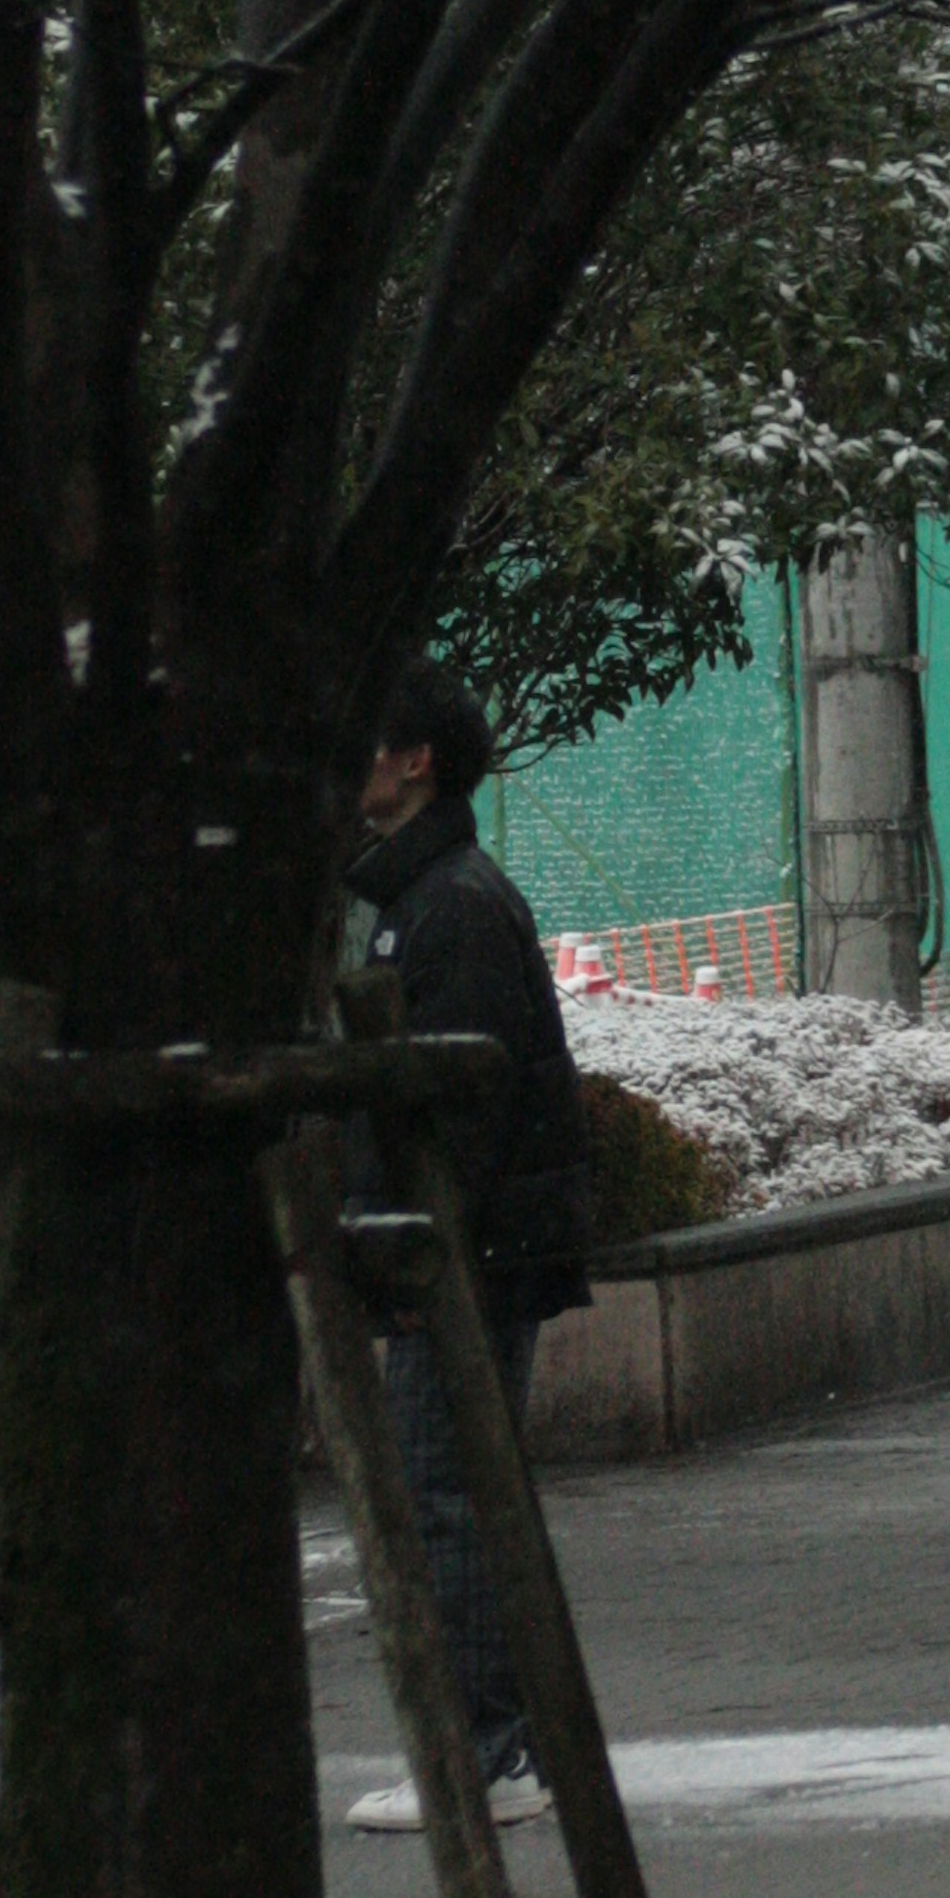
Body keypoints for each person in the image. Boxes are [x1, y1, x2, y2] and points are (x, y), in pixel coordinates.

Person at [343, 657, 593, 1832]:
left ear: (415, 760)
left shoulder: (447, 906)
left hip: (465, 1260)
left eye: (368, 738)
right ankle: (496, 1748)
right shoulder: (425, 897)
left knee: (447, 1492)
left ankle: (483, 1755)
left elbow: (457, 1112)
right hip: (471, 1252)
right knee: (458, 1490)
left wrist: (411, 1256)